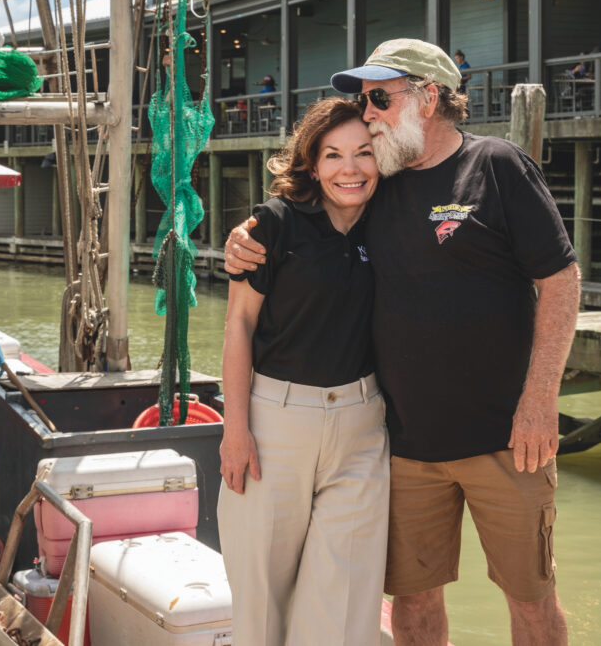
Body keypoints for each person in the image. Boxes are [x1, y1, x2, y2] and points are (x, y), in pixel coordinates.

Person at [225, 38, 580, 646]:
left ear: (430, 96)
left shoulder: (496, 164)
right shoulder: (376, 183)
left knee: (531, 602)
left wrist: (540, 398)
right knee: (413, 605)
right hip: (405, 445)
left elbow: (561, 280)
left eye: (380, 98)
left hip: (507, 437)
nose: (369, 114)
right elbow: (311, 203)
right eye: (365, 100)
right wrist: (243, 237)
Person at [217, 96, 389, 646]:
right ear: (312, 163)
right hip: (275, 424)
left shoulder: (391, 223)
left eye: (364, 153)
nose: (351, 169)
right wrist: (234, 430)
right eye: (334, 155)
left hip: (362, 426)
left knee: (342, 606)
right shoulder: (275, 223)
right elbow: (239, 326)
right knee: (262, 601)